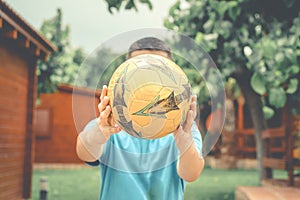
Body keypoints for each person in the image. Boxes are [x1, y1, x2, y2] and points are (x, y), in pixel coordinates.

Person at [76, 37, 204, 200]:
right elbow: (84, 152)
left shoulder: (184, 131)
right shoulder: (108, 126)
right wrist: (100, 132)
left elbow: (191, 174)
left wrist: (186, 144)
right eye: (141, 70)